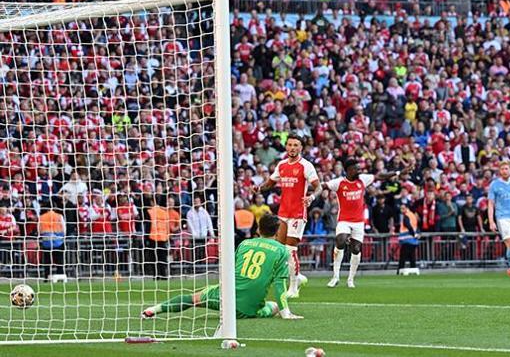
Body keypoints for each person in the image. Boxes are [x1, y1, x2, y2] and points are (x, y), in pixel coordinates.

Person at [142, 214, 302, 320]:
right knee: (273, 306)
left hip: (225, 296)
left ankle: (153, 310)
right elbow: (280, 285)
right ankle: (267, 309)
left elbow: (231, 269)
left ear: (258, 229)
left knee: (193, 299)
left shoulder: (245, 243)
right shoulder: (281, 250)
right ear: (277, 231)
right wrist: (285, 313)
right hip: (248, 308)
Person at [256, 134, 321, 298]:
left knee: (290, 249)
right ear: (286, 147)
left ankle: (293, 287)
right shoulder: (282, 165)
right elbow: (270, 183)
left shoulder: (306, 166)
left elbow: (318, 187)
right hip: (283, 212)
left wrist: (311, 197)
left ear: (301, 148)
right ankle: (296, 277)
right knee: (280, 250)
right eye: (290, 144)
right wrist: (259, 188)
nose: (292, 148)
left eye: (296, 145)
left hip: (298, 213)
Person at [324, 159, 407, 288]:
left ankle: (350, 279)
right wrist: (305, 186)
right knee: (341, 240)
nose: (359, 170)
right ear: (349, 170)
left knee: (356, 249)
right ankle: (335, 276)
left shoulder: (363, 179)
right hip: (344, 220)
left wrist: (398, 172)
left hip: (358, 221)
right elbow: (323, 185)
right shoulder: (339, 182)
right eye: (357, 168)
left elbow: (380, 176)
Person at [39, 207, 66, 280]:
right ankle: (60, 276)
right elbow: (64, 229)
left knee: (47, 261)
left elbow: (39, 230)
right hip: (58, 242)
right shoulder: (59, 216)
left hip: (46, 242)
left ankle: (46, 277)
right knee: (59, 261)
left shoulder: (42, 217)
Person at [397, 204, 419, 274]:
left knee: (402, 258)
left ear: (407, 208)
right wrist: (416, 234)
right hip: (413, 240)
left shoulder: (406, 216)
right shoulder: (412, 215)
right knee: (412, 257)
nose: (401, 210)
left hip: (406, 240)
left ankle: (399, 271)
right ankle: (413, 270)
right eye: (401, 208)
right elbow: (415, 226)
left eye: (403, 208)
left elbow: (408, 226)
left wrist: (413, 234)